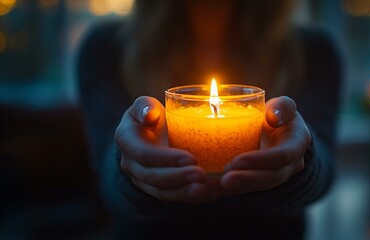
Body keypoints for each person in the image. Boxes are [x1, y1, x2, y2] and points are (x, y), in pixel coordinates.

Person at [77, 0, 341, 239]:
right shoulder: (105, 47)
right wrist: (133, 173)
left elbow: (325, 165)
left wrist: (300, 164)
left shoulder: (313, 50)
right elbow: (106, 180)